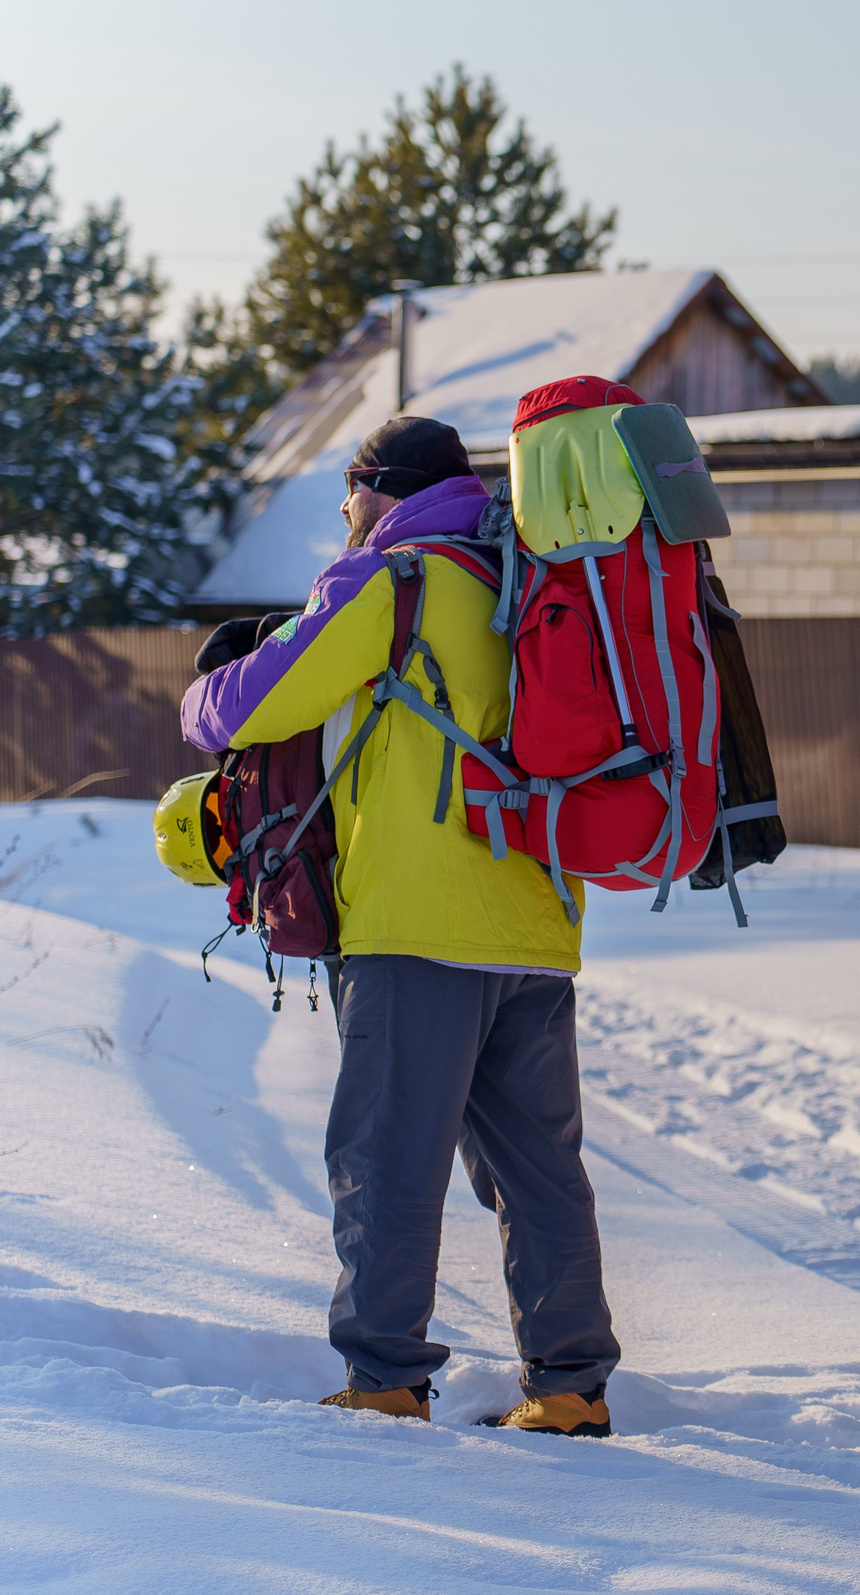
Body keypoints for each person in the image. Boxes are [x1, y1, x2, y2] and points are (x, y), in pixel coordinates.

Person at [182, 416, 621, 1437]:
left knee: (387, 1159)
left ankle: (383, 1380)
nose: (344, 521)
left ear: (373, 489)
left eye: (347, 501)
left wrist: (204, 696)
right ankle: (569, 1389)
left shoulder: (396, 579)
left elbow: (262, 699)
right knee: (540, 1172)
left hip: (417, 924)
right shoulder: (529, 580)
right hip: (539, 918)